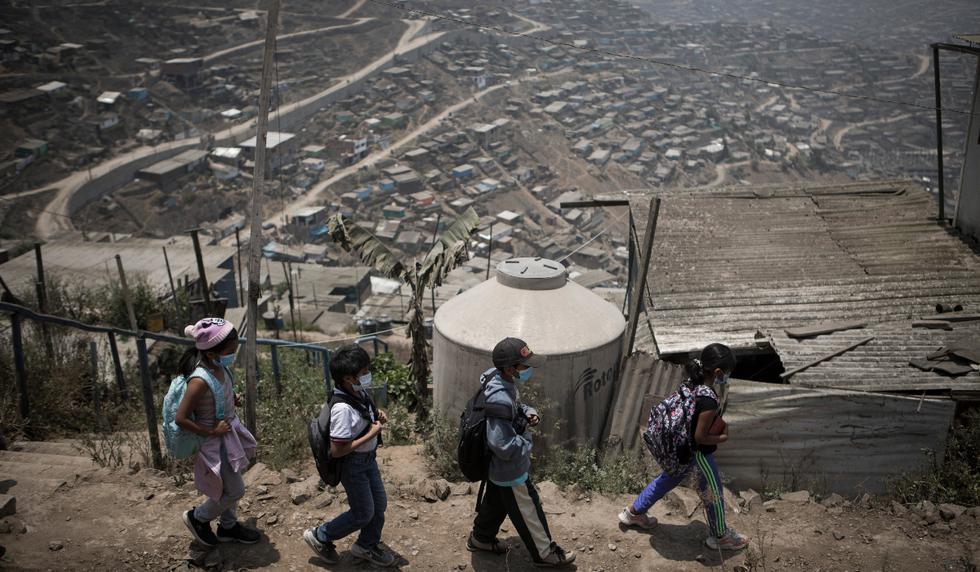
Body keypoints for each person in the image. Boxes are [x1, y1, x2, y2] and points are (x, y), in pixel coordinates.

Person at [618, 343, 749, 551]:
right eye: (727, 372)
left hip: (681, 450)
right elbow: (700, 436)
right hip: (697, 453)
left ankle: (633, 514)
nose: (728, 376)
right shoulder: (709, 400)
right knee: (713, 491)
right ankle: (720, 537)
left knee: (666, 479)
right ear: (717, 372)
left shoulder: (692, 383)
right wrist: (723, 437)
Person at [467, 337, 576, 568]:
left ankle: (481, 538)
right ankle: (545, 553)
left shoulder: (498, 379)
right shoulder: (500, 395)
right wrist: (527, 440)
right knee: (529, 508)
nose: (528, 370)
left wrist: (526, 411)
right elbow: (502, 444)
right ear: (509, 368)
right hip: (509, 469)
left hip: (498, 469)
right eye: (524, 366)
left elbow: (512, 409)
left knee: (497, 500)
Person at [304, 344, 394, 567]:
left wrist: (376, 415)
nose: (367, 375)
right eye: (363, 372)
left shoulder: (357, 392)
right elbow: (338, 449)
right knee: (363, 513)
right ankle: (320, 535)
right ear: (348, 378)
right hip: (353, 465)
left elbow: (363, 416)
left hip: (367, 460)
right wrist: (372, 433)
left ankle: (366, 545)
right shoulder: (342, 409)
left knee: (379, 504)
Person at [176, 318, 260, 546]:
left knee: (230, 482)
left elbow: (217, 395)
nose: (233, 355)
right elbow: (181, 418)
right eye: (230, 352)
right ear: (212, 354)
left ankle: (228, 527)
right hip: (215, 442)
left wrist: (232, 399)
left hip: (227, 436)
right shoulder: (199, 381)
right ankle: (198, 517)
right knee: (235, 491)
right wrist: (211, 430)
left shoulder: (220, 368)